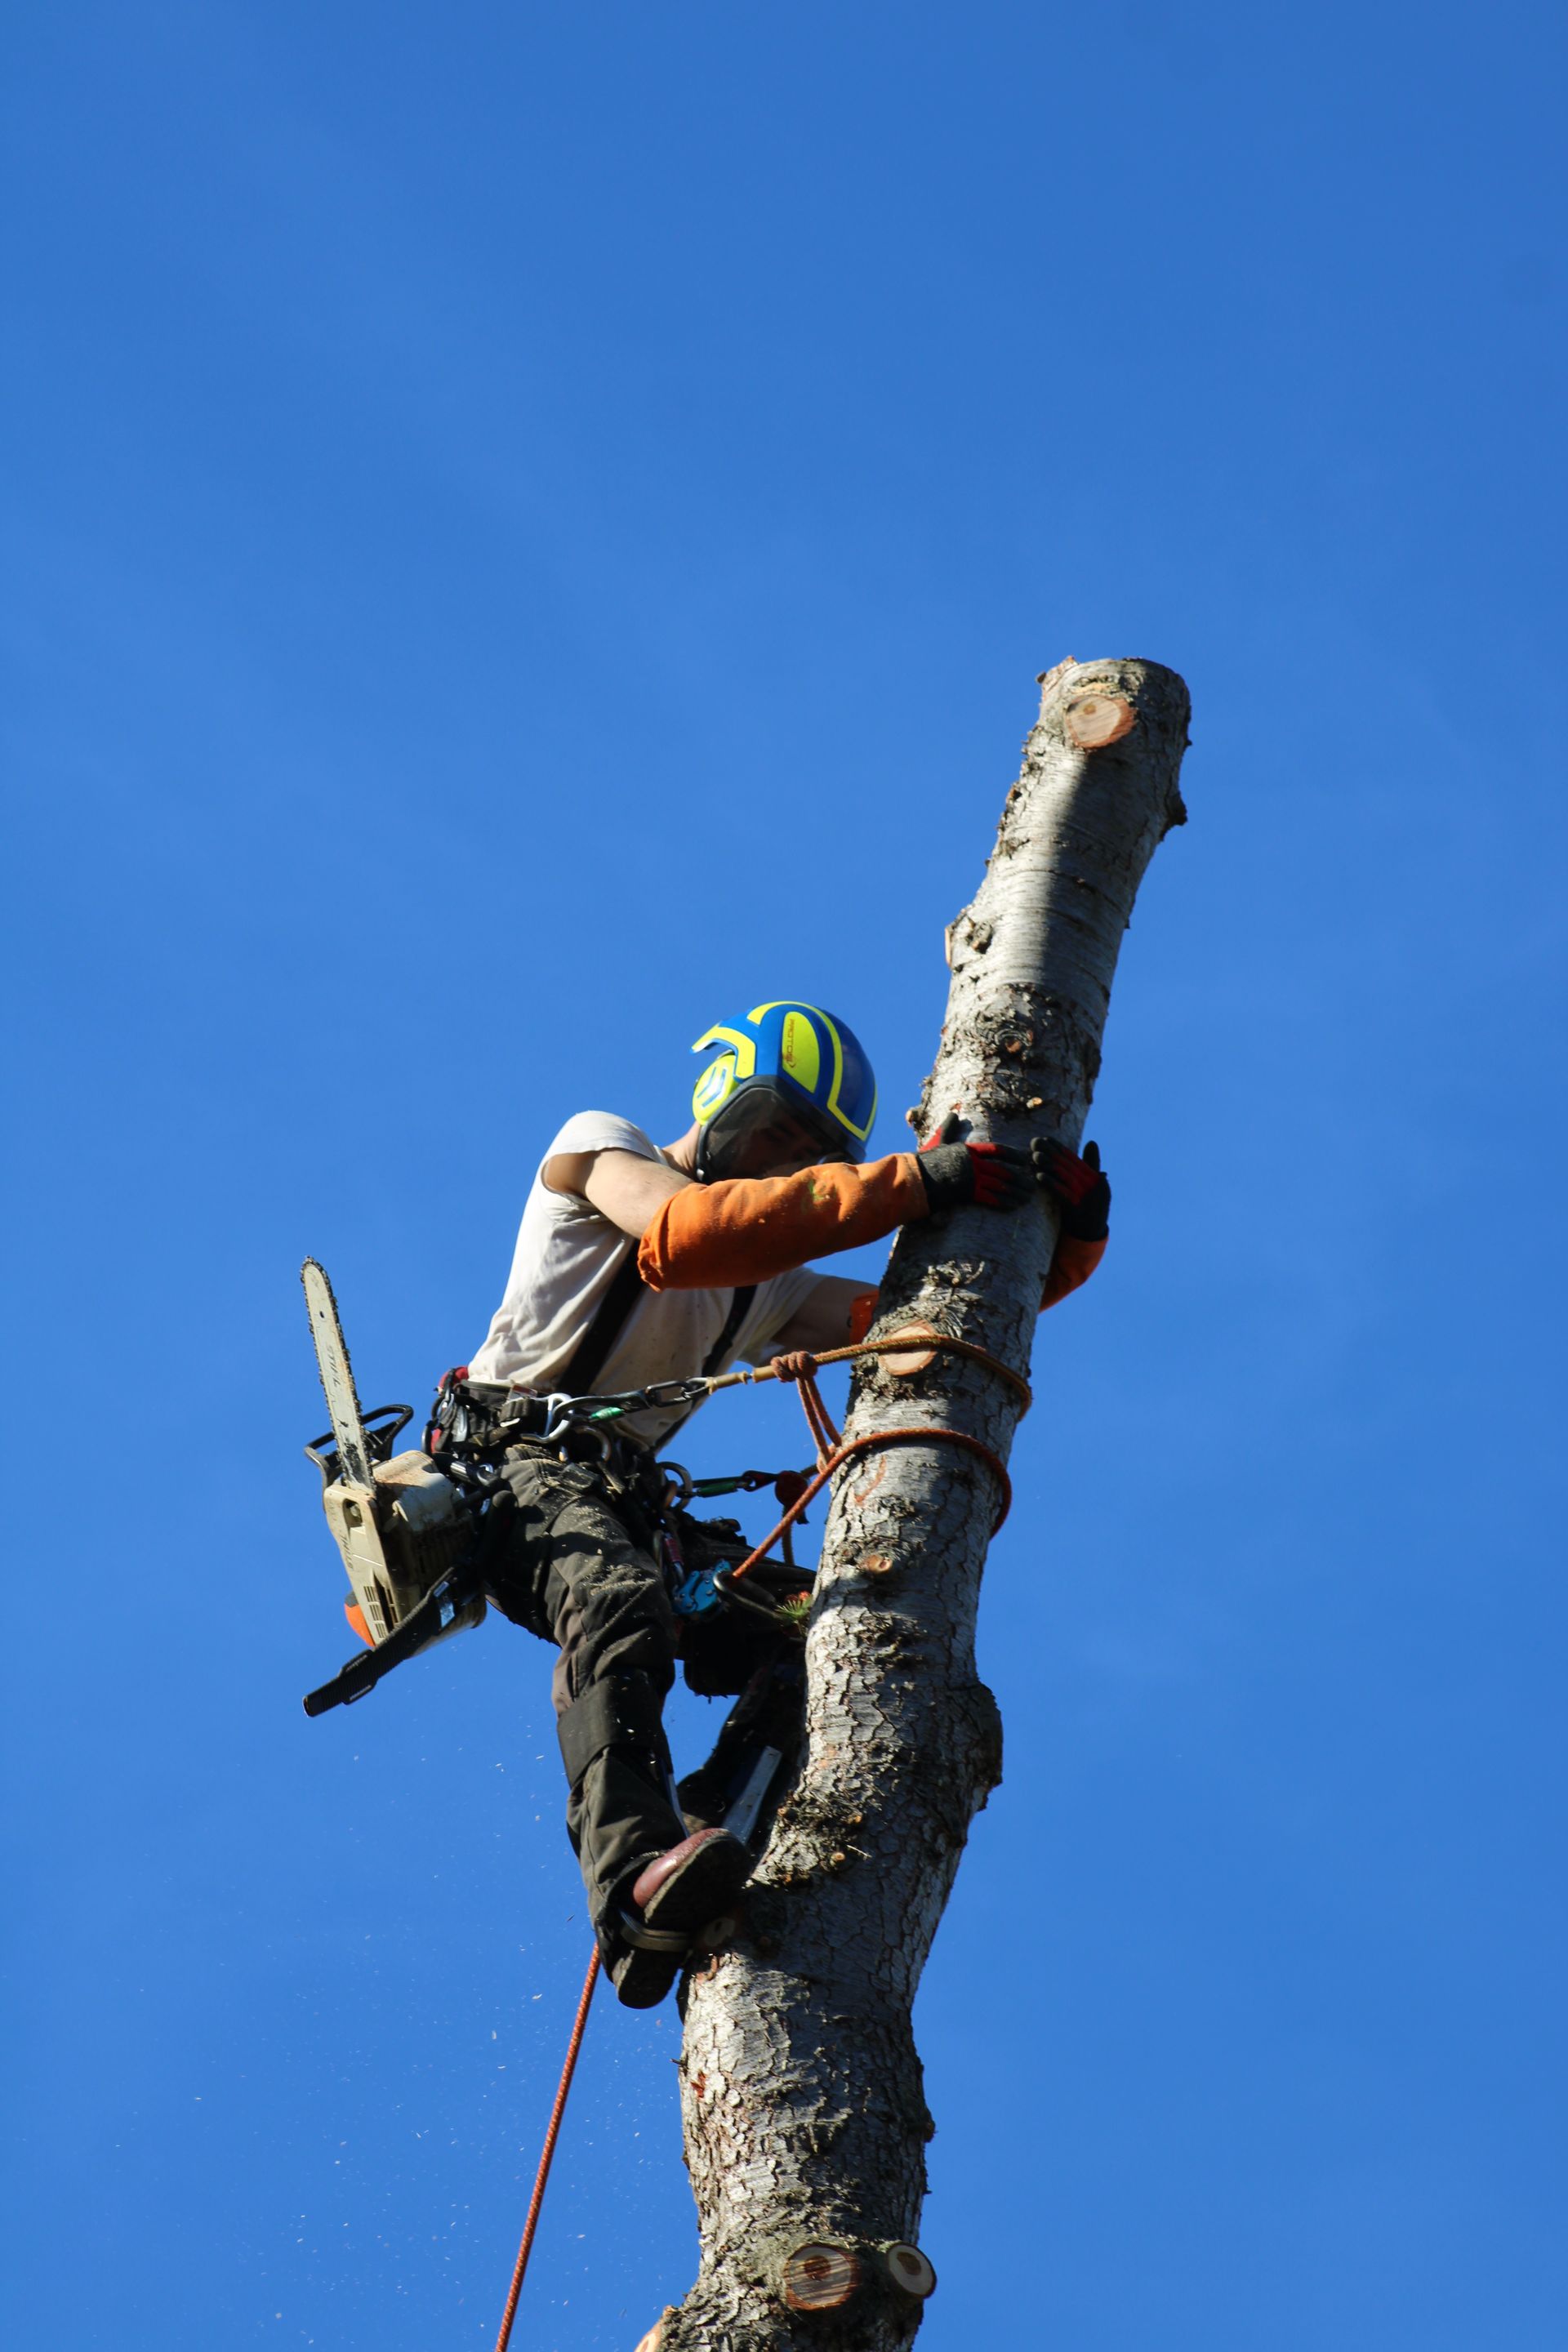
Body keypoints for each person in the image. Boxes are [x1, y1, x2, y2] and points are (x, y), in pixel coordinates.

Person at [453, 1000, 1111, 2006]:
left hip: (627, 1502)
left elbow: (908, 1326)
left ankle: (716, 1823)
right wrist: (909, 1182)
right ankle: (633, 1887)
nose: (780, 1161)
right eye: (774, 1132)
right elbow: (685, 1235)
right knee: (620, 1602)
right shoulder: (604, 1151)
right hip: (516, 1470)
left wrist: (1048, 1240)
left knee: (822, 1636)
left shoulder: (765, 1283)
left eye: (808, 1153)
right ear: (721, 1097)